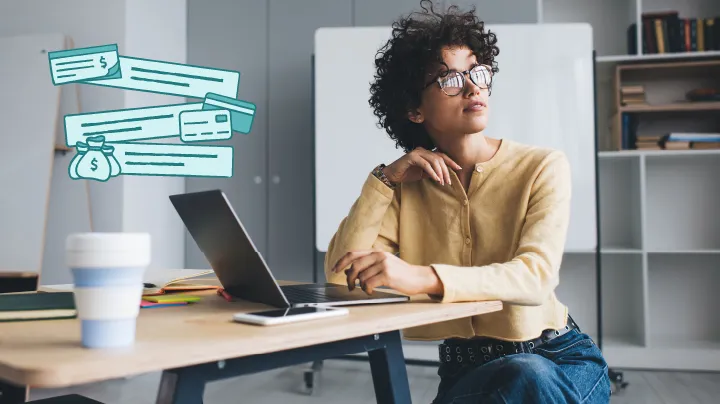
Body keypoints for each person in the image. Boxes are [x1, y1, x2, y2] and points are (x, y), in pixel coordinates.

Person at [323, 1, 611, 403]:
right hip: (466, 370)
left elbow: (535, 277)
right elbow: (339, 279)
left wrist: (422, 277)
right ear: (414, 109)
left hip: (556, 358)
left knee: (527, 374)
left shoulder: (542, 166)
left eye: (476, 72)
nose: (474, 86)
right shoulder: (404, 187)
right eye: (449, 79)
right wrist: (384, 179)